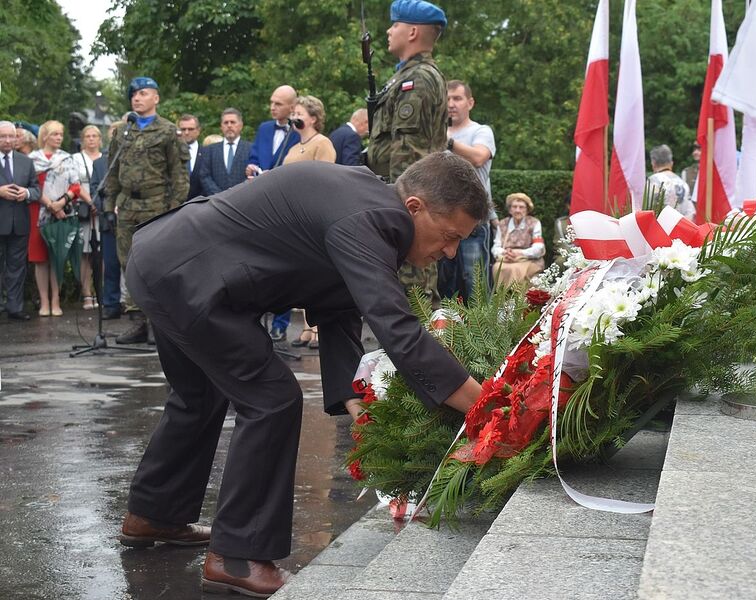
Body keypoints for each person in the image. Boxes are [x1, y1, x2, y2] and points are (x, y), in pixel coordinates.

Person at [118, 152, 487, 597]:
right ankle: (236, 557)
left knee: (199, 395)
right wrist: (486, 407)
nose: (449, 253)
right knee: (271, 398)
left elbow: (338, 310)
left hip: (166, 261)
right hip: (186, 277)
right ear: (414, 207)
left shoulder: (366, 206)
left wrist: (355, 399)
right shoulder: (368, 219)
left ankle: (154, 514)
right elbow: (400, 332)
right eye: (449, 237)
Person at [368, 0, 450, 306]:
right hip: (405, 203)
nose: (390, 31)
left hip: (408, 207)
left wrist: (395, 203)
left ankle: (414, 354)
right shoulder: (405, 76)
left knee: (410, 296)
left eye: (395, 25)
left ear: (413, 31)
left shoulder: (417, 80)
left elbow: (409, 152)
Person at [105, 76, 190, 344]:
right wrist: (109, 205)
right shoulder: (122, 131)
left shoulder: (168, 131)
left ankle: (159, 324)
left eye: (143, 93)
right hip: (128, 205)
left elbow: (179, 175)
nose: (137, 98)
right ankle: (138, 322)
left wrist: (174, 210)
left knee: (156, 265)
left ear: (156, 98)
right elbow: (113, 173)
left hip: (157, 206)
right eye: (133, 94)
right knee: (128, 264)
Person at [275, 95, 337, 347]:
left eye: (299, 113)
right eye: (294, 113)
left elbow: (325, 178)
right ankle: (307, 327)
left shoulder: (322, 143)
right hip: (291, 217)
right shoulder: (292, 147)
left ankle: (319, 328)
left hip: (311, 215)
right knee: (299, 273)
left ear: (313, 117)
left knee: (315, 272)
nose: (294, 117)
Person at [439, 79, 497, 302]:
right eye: (447, 99)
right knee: (444, 284)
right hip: (441, 219)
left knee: (475, 284)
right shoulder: (439, 133)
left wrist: (446, 141)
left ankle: (483, 335)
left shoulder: (481, 131)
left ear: (470, 102)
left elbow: (479, 157)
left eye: (457, 98)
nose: (451, 104)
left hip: (473, 221)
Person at [28, 120, 83, 317]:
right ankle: (44, 302)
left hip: (62, 211)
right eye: (55, 134)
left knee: (57, 257)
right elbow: (31, 185)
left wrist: (60, 204)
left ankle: (56, 300)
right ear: (45, 136)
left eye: (61, 134)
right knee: (41, 259)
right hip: (38, 213)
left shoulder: (67, 158)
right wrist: (50, 205)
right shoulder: (32, 159)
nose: (59, 137)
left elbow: (76, 186)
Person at [0, 121, 41, 320]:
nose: (8, 140)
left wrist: (26, 193)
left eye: (11, 136)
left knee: (17, 267)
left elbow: (36, 190)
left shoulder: (26, 161)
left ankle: (14, 307)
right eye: (3, 136)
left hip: (19, 222)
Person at [90, 122, 123, 320]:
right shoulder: (100, 163)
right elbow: (96, 189)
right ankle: (111, 304)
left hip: (132, 217)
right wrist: (108, 207)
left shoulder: (135, 160)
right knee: (110, 264)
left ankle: (135, 306)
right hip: (109, 220)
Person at [72, 125, 103, 310]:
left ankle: (102, 292)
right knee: (85, 253)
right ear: (83, 139)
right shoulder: (76, 159)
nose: (91, 139)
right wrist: (91, 202)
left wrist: (99, 204)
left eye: (94, 136)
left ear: (100, 139)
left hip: (102, 209)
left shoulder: (106, 158)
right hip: (84, 208)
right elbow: (75, 183)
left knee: (103, 253)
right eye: (88, 136)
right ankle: (87, 294)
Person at [246, 85, 300, 178]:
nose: (272, 107)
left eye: (278, 104)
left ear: (292, 108)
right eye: (271, 102)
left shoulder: (299, 132)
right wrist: (252, 167)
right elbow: (254, 157)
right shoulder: (264, 128)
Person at [492, 192, 545, 285]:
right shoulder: (503, 224)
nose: (517, 210)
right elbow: (495, 247)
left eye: (521, 207)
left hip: (528, 259)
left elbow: (539, 247)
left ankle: (520, 298)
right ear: (510, 210)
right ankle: (502, 297)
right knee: (498, 267)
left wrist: (519, 253)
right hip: (506, 259)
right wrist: (505, 253)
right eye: (514, 207)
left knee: (516, 270)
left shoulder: (534, 223)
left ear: (527, 210)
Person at [198, 108, 250, 197]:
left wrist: (238, 194)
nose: (229, 126)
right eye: (226, 123)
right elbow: (205, 176)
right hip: (215, 201)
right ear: (221, 126)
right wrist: (219, 195)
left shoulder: (251, 149)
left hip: (243, 200)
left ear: (241, 125)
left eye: (233, 122)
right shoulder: (210, 150)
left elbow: (253, 176)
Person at [647, 144, 694, 219]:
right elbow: (690, 213)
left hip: (658, 229)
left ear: (653, 163)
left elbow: (644, 211)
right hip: (680, 229)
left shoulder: (652, 181)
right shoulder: (683, 184)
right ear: (671, 163)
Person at [178, 114, 204, 200]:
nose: (186, 132)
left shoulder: (207, 153)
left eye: (190, 129)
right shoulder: (171, 152)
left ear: (198, 130)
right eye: (183, 129)